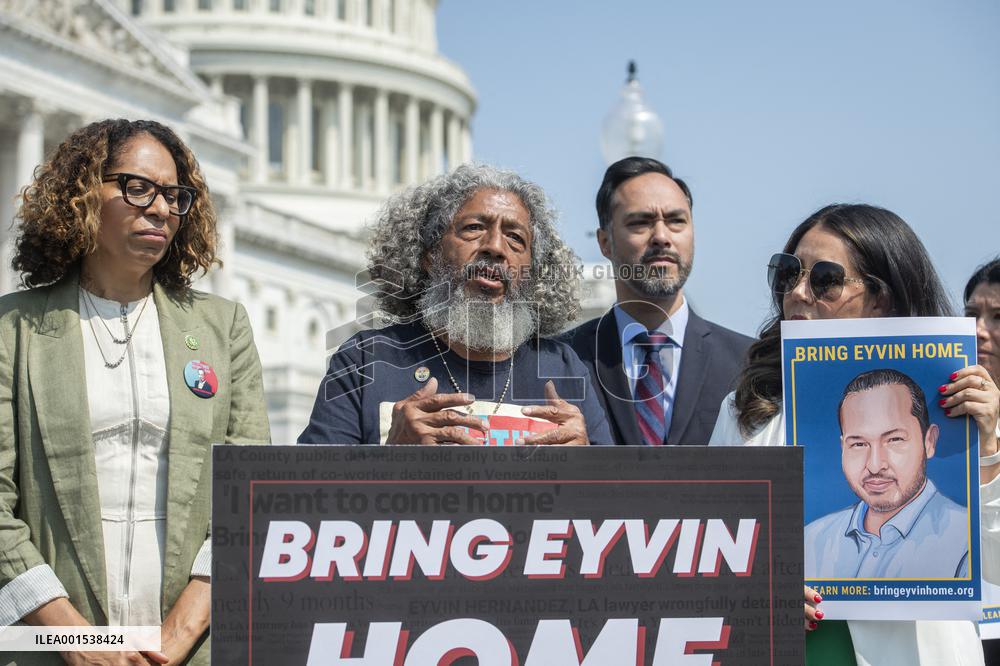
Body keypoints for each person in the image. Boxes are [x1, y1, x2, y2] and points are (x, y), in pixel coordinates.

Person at [0, 118, 270, 665]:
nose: (162, 209)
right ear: (80, 195)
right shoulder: (13, 329)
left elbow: (250, 494)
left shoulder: (223, 328)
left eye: (174, 195)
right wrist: (76, 641)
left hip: (190, 649)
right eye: (137, 187)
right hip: (48, 648)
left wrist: (175, 636)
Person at [709, 204, 1000, 665]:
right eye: (788, 273)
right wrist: (761, 586)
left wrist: (988, 447)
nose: (798, 292)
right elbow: (713, 550)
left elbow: (997, 565)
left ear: (881, 297)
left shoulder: (957, 401)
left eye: (824, 279)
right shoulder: (747, 410)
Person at [298, 163, 612, 446]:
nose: (495, 247)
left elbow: (618, 499)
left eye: (516, 238)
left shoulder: (564, 367)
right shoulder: (365, 361)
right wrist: (391, 457)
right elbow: (307, 495)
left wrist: (585, 465)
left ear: (533, 272)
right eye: (474, 228)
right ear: (429, 255)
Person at [563, 157, 751, 446]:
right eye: (640, 223)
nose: (662, 237)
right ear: (604, 242)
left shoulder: (749, 365)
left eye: (676, 221)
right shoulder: (563, 360)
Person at [804, 369, 968, 579]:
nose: (874, 465)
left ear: (929, 442)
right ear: (842, 448)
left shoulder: (969, 539)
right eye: (859, 444)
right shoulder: (811, 539)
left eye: (894, 440)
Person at [964, 257, 1000, 665]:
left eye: (998, 317)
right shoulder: (941, 417)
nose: (979, 330)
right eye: (971, 313)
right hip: (966, 638)